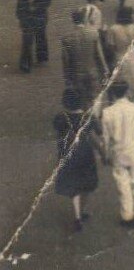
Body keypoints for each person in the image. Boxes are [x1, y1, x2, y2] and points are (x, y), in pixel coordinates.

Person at [101, 81, 134, 227]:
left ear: (112, 93)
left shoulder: (107, 112)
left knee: (123, 184)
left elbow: (106, 138)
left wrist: (106, 155)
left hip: (119, 153)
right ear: (126, 91)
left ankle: (127, 215)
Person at [53, 88, 102, 232]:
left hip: (68, 154)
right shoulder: (88, 117)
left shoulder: (60, 117)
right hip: (85, 153)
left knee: (74, 186)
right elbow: (97, 134)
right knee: (86, 184)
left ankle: (77, 216)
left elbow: (58, 136)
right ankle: (82, 210)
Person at [61, 9, 107, 106]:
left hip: (76, 72)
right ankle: (93, 116)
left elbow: (66, 60)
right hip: (92, 70)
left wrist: (67, 77)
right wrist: (104, 68)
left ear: (73, 20)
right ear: (84, 19)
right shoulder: (93, 33)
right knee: (93, 96)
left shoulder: (67, 38)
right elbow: (99, 54)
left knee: (80, 97)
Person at [16, 0, 51, 73]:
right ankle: (26, 63)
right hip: (27, 17)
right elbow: (20, 1)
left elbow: (48, 1)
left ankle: (42, 57)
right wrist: (20, 15)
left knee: (40, 36)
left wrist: (36, 7)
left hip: (39, 15)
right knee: (27, 39)